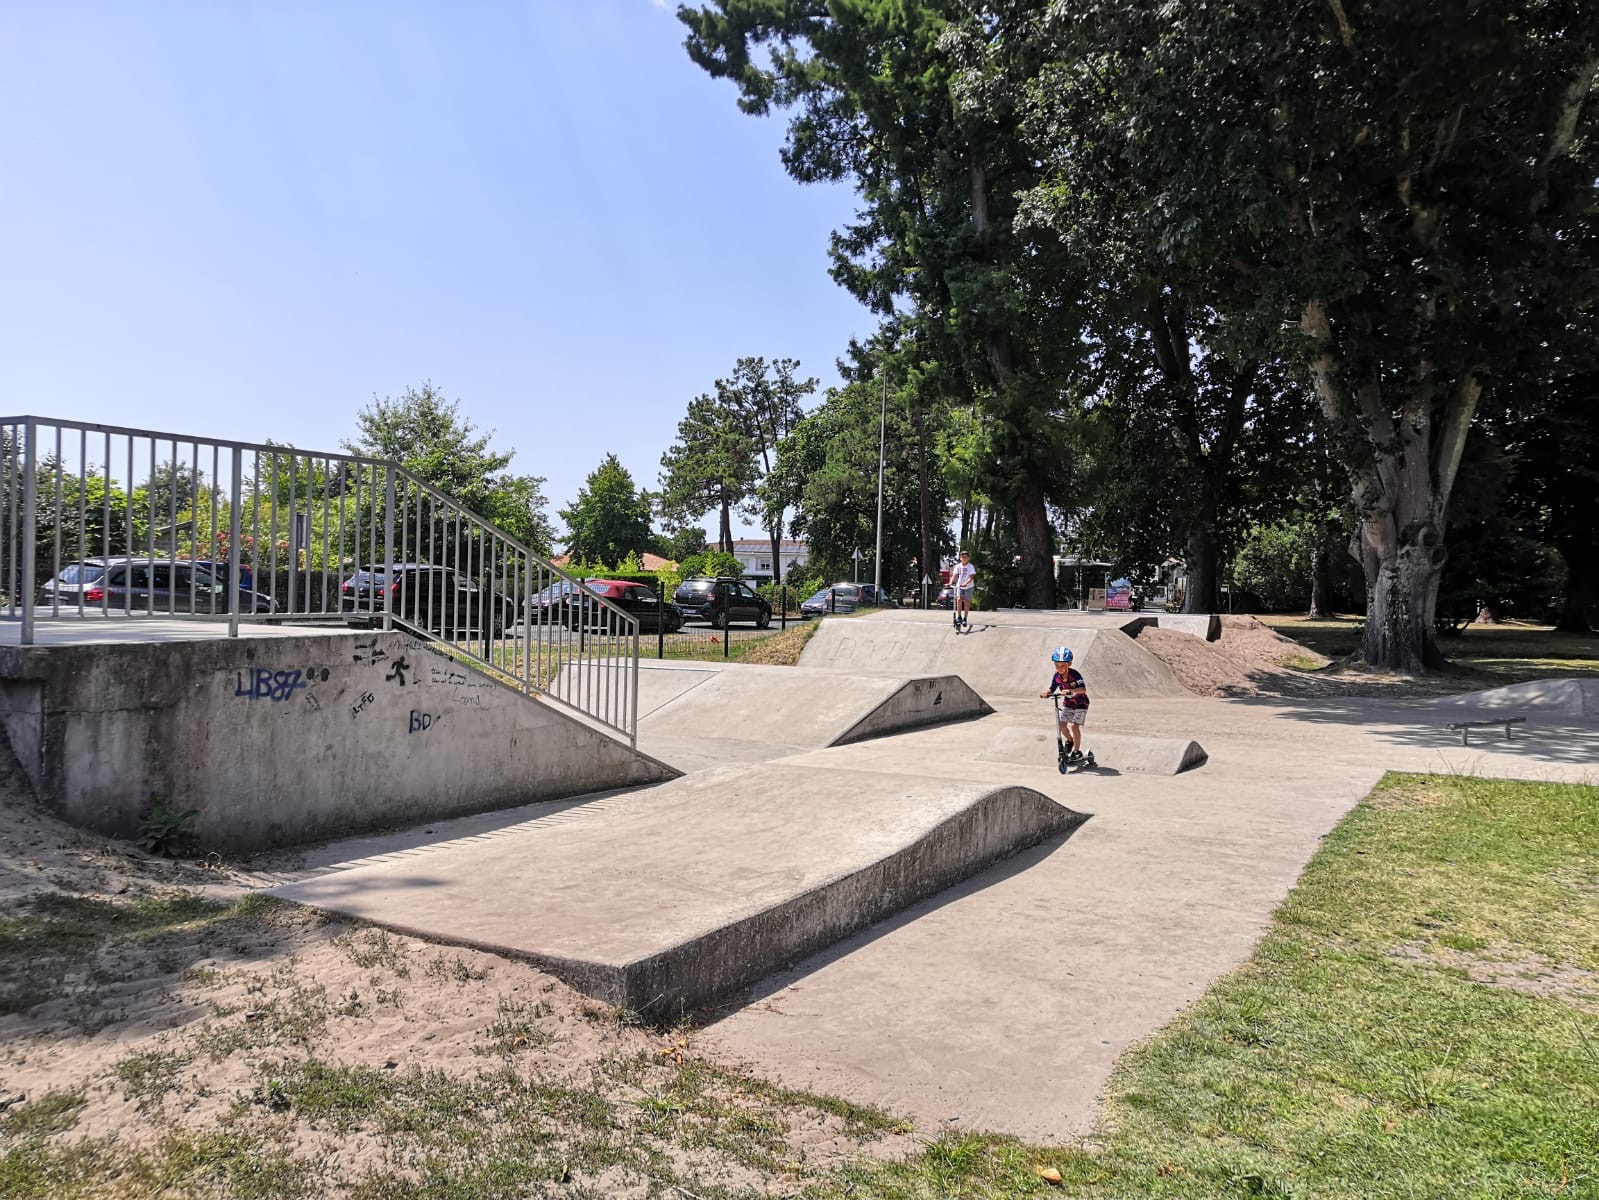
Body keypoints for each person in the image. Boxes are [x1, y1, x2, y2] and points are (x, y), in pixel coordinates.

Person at [1041, 646, 1090, 762]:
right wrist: (1047, 693)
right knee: (1062, 726)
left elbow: (1083, 689)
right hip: (1068, 704)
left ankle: (1077, 751)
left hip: (1081, 704)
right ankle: (1070, 740)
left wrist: (1071, 691)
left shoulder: (1075, 675)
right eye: (1057, 665)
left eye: (1063, 665)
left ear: (1069, 664)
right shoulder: (1056, 676)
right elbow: (1052, 688)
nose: (1060, 668)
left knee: (1074, 726)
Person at [949, 550, 976, 629]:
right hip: (960, 586)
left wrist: (966, 583)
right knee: (959, 599)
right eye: (962, 557)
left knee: (967, 601)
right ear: (960, 558)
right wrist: (950, 582)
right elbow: (954, 575)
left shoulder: (971, 566)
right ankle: (959, 617)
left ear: (968, 558)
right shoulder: (958, 566)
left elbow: (971, 577)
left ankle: (965, 618)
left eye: (966, 557)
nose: (964, 558)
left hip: (969, 586)